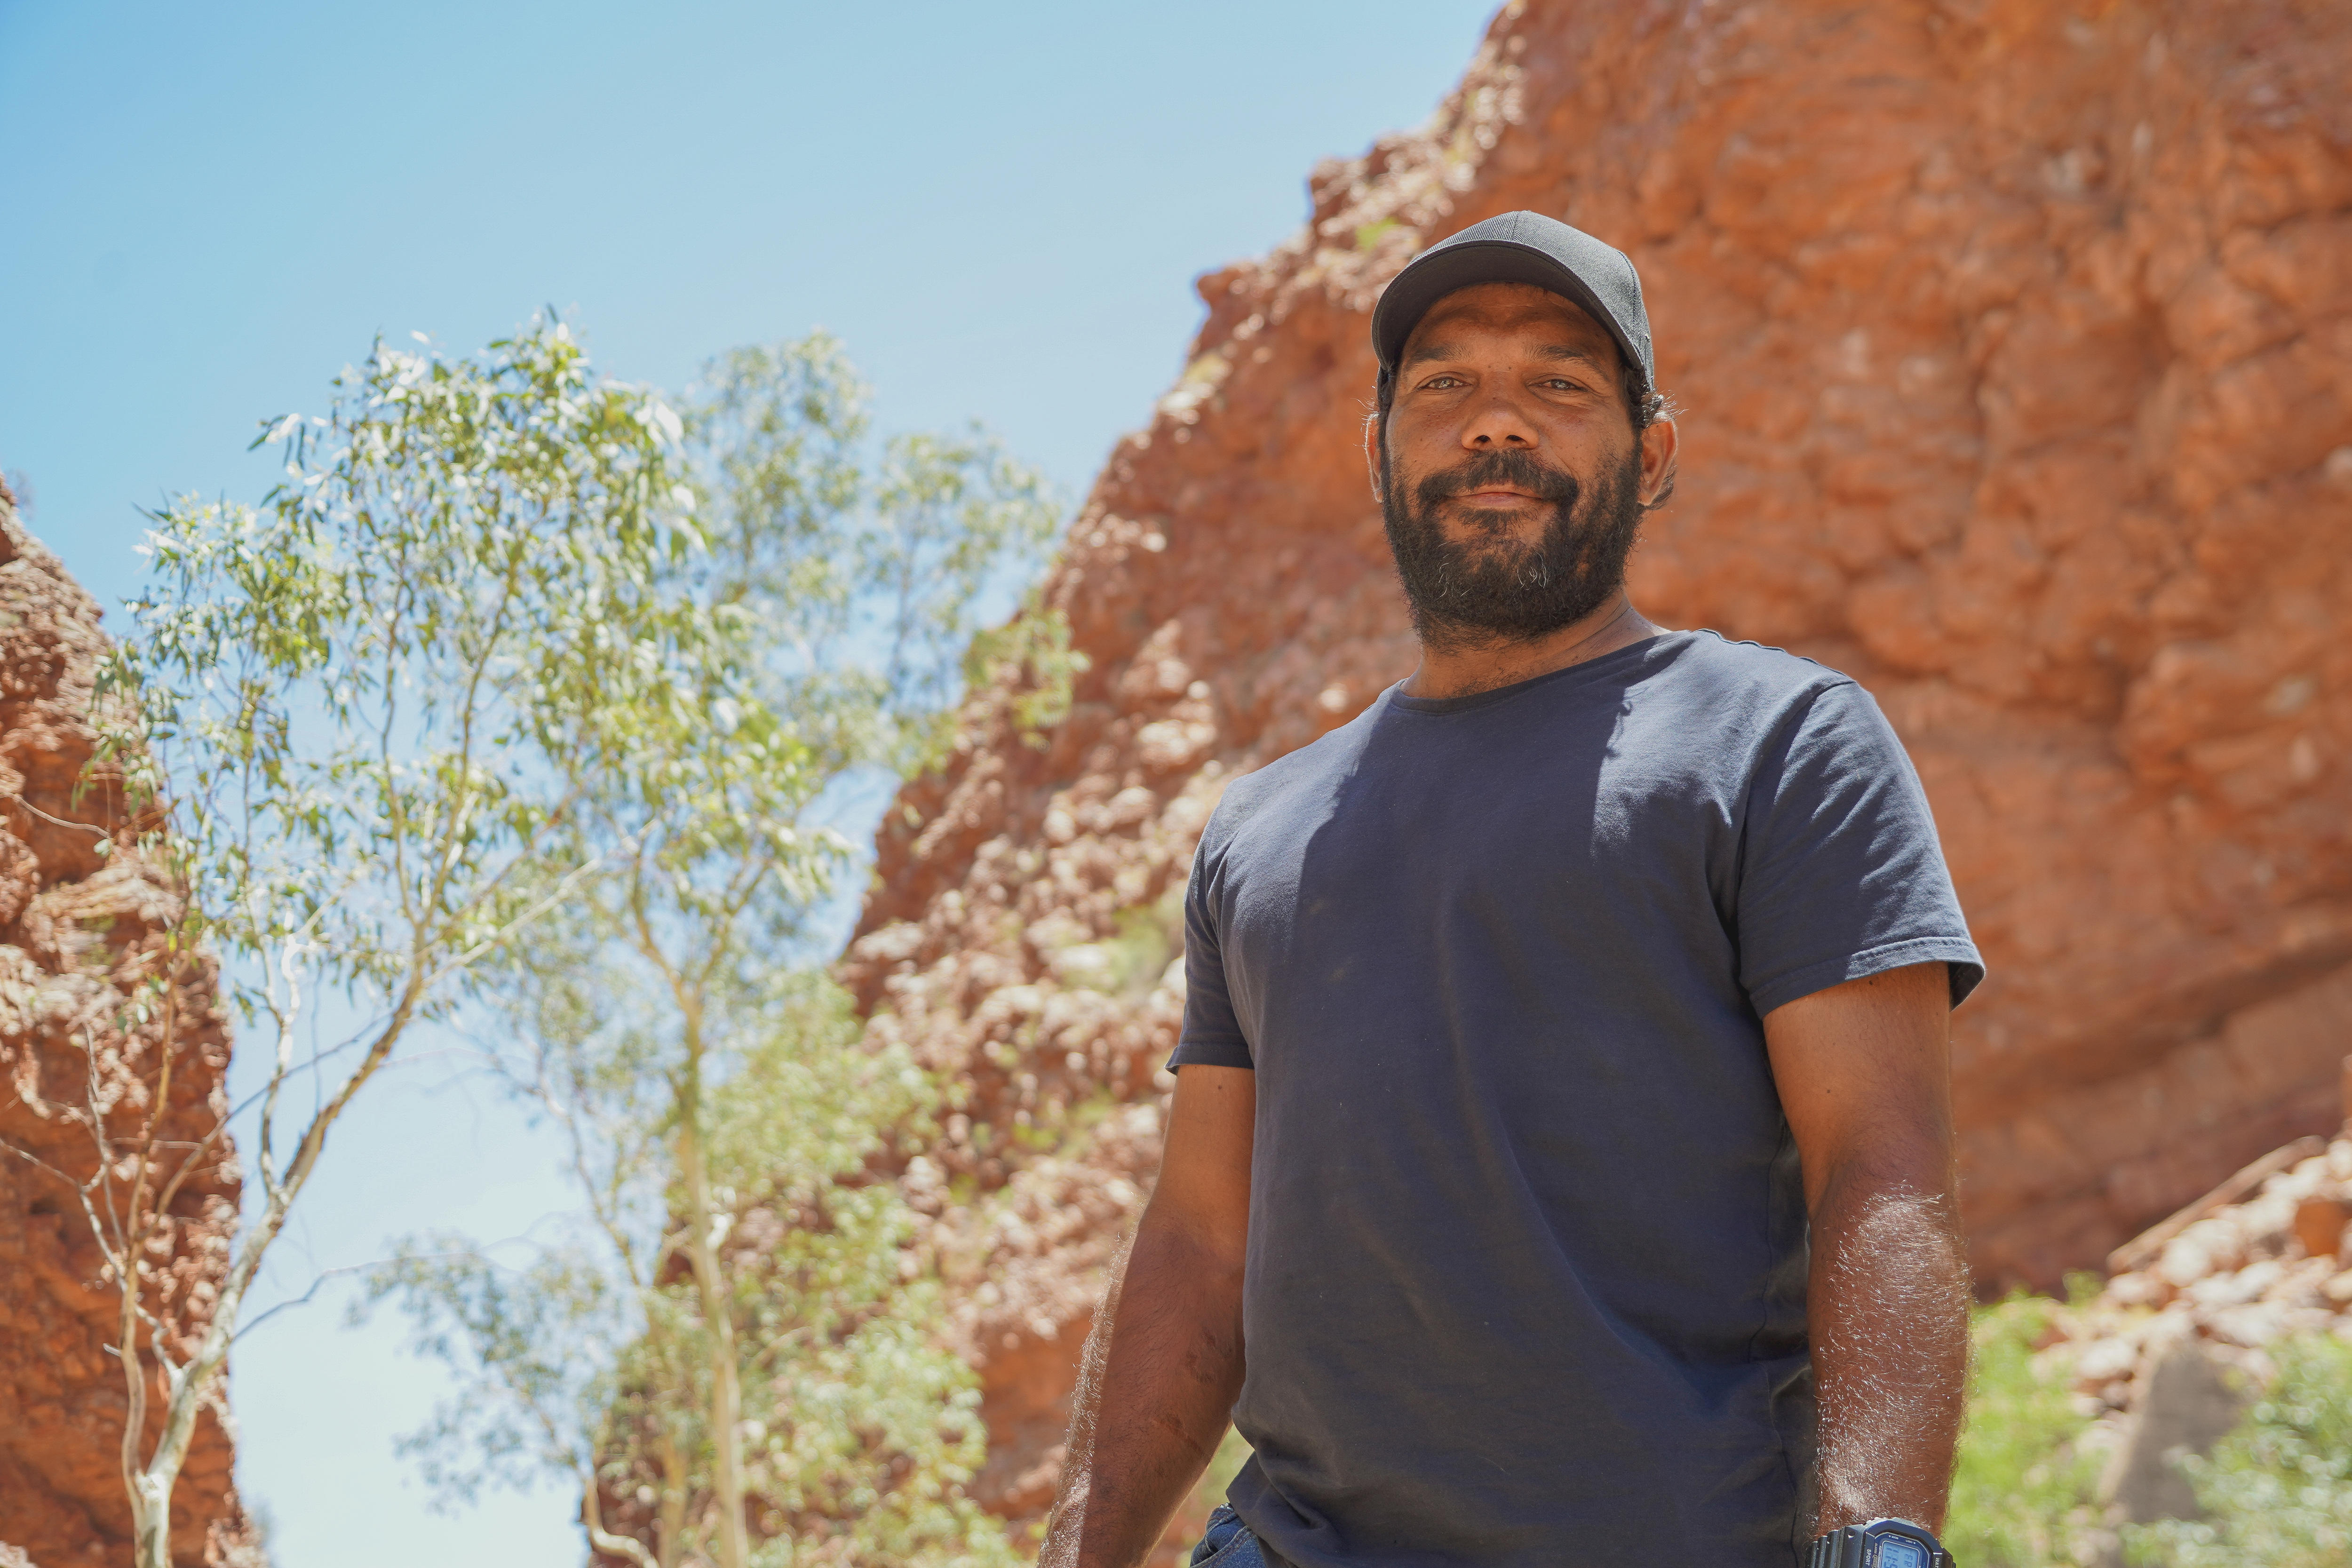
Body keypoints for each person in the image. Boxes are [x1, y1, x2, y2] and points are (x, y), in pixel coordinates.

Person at [1039, 211, 1982, 1568]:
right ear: (1382, 451)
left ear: (1650, 457)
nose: (1495, 426)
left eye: (1558, 385)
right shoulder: (1258, 828)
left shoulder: (1782, 742)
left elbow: (1881, 1168)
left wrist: (1880, 1543)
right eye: (1444, 388)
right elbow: (1197, 1239)